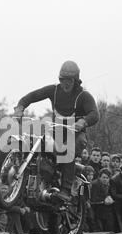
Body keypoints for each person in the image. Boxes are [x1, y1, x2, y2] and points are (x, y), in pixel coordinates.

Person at [14, 60, 100, 202]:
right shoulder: (53, 90)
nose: (66, 83)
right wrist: (20, 108)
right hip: (55, 130)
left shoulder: (84, 95)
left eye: (69, 80)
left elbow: (94, 114)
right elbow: (29, 97)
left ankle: (66, 189)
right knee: (37, 142)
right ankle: (33, 178)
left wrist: (83, 121)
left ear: (76, 81)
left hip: (76, 133)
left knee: (68, 148)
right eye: (63, 80)